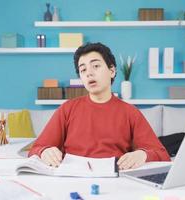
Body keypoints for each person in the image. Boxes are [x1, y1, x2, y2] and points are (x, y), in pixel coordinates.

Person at [29, 42, 170, 170]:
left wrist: (143, 155)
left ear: (112, 71)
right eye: (83, 70)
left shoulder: (130, 112)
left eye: (95, 66)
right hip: (72, 177)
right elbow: (36, 149)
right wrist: (44, 151)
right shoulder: (67, 109)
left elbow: (162, 154)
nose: (89, 73)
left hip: (117, 179)